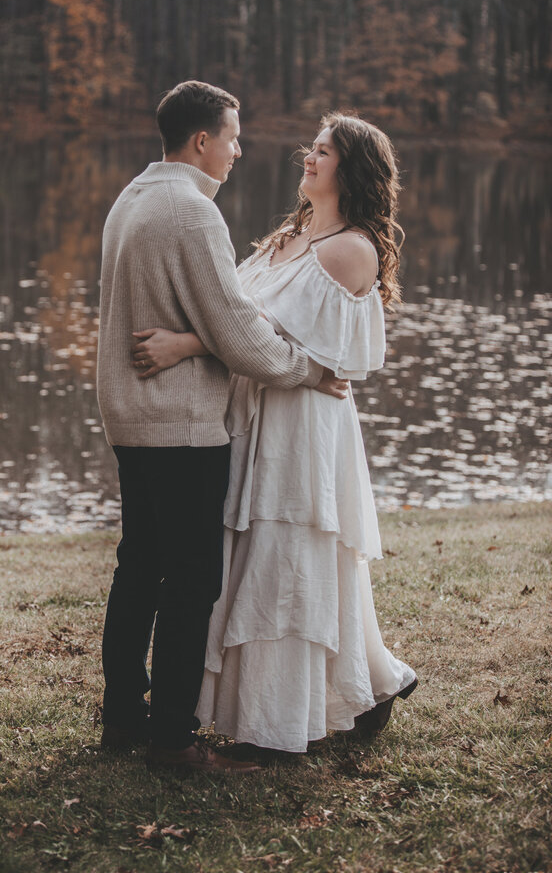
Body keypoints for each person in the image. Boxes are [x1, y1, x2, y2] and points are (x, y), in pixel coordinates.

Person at [131, 112, 418, 756]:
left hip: (301, 424)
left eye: (322, 151)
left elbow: (267, 338)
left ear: (354, 168)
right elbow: (234, 316)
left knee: (288, 555)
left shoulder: (350, 248)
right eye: (310, 149)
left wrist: (183, 345)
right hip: (257, 407)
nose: (307, 158)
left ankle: (281, 719)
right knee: (250, 550)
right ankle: (374, 683)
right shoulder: (286, 237)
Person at [96, 82, 349, 774]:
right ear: (201, 140)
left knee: (139, 568)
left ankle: (123, 717)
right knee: (191, 582)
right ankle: (173, 740)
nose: (239, 150)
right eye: (233, 137)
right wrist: (306, 369)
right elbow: (238, 335)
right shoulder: (191, 213)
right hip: (178, 422)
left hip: (129, 412)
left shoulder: (135, 196)